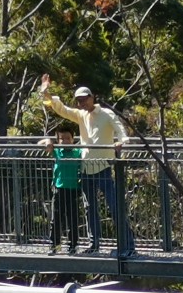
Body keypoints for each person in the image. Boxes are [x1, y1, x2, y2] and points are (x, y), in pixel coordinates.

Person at [39, 75, 133, 255]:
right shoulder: (81, 115)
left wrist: (122, 141)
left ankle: (128, 245)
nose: (81, 103)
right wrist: (47, 94)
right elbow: (62, 109)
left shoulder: (106, 114)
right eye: (78, 100)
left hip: (103, 167)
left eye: (84, 99)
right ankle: (94, 245)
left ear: (92, 98)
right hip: (86, 169)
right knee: (90, 209)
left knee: (115, 207)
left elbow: (120, 129)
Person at [41, 126, 83, 253]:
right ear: (58, 140)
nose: (65, 141)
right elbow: (41, 142)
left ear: (73, 139)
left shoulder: (78, 151)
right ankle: (54, 245)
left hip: (74, 188)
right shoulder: (57, 151)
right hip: (59, 188)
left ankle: (73, 245)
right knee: (56, 218)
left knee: (73, 219)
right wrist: (48, 141)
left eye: (68, 138)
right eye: (62, 138)